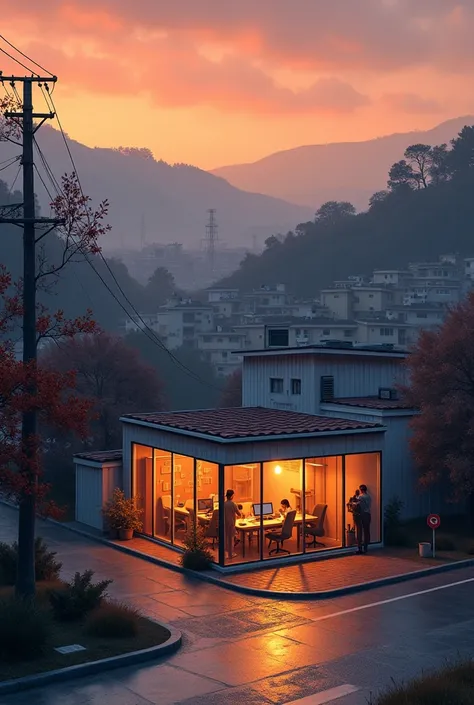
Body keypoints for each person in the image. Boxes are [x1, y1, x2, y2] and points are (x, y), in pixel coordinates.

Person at [224, 489, 241, 560]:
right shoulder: (233, 504)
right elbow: (238, 513)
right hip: (231, 523)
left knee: (225, 539)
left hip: (225, 523)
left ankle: (225, 554)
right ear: (232, 496)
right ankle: (231, 554)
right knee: (231, 539)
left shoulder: (224, 504)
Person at [356, 484, 372, 554]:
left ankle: (360, 548)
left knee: (359, 531)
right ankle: (366, 547)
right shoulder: (369, 497)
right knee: (366, 531)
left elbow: (356, 504)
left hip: (361, 514)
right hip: (368, 514)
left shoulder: (360, 496)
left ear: (361, 490)